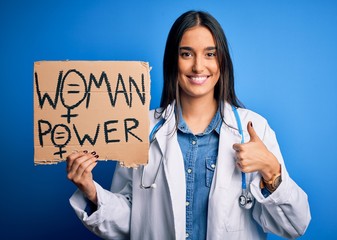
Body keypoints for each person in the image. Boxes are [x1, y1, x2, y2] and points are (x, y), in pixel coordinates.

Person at [66, 10, 311, 240]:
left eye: (210, 54)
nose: (198, 66)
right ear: (173, 61)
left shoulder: (253, 128)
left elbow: (295, 225)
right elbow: (132, 219)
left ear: (222, 61)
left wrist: (271, 171)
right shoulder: (140, 129)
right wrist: (91, 191)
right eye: (186, 54)